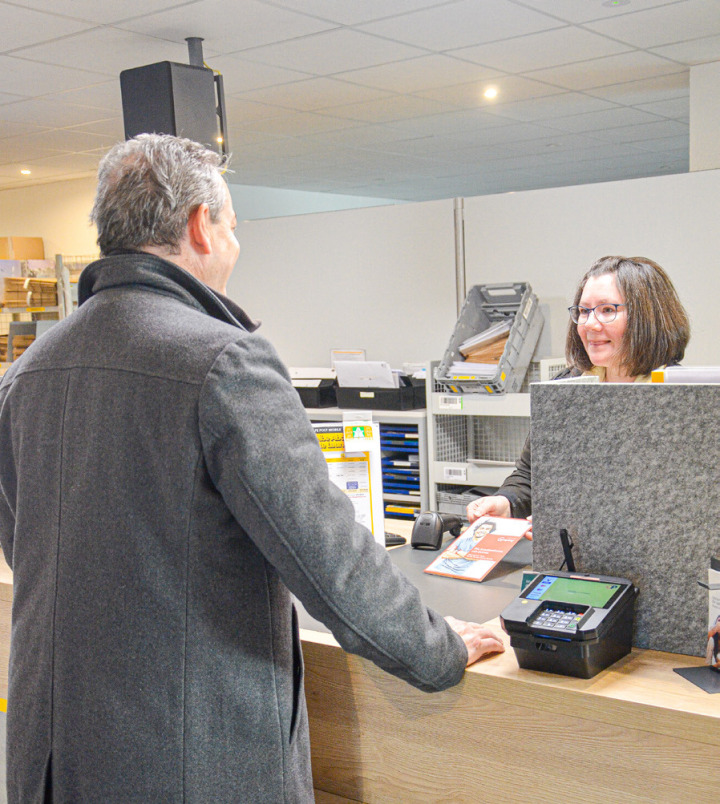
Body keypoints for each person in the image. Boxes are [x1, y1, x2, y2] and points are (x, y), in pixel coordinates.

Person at [0, 134, 504, 803]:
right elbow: (331, 560)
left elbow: (27, 545)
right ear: (198, 227)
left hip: (50, 757)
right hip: (187, 758)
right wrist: (438, 649)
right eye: (232, 227)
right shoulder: (223, 362)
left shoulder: (28, 371)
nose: (235, 247)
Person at [467, 255, 690, 524]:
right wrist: (505, 502)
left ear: (648, 318)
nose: (590, 325)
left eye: (607, 310)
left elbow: (676, 505)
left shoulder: (681, 398)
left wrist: (579, 525)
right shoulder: (565, 389)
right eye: (583, 311)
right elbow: (530, 475)